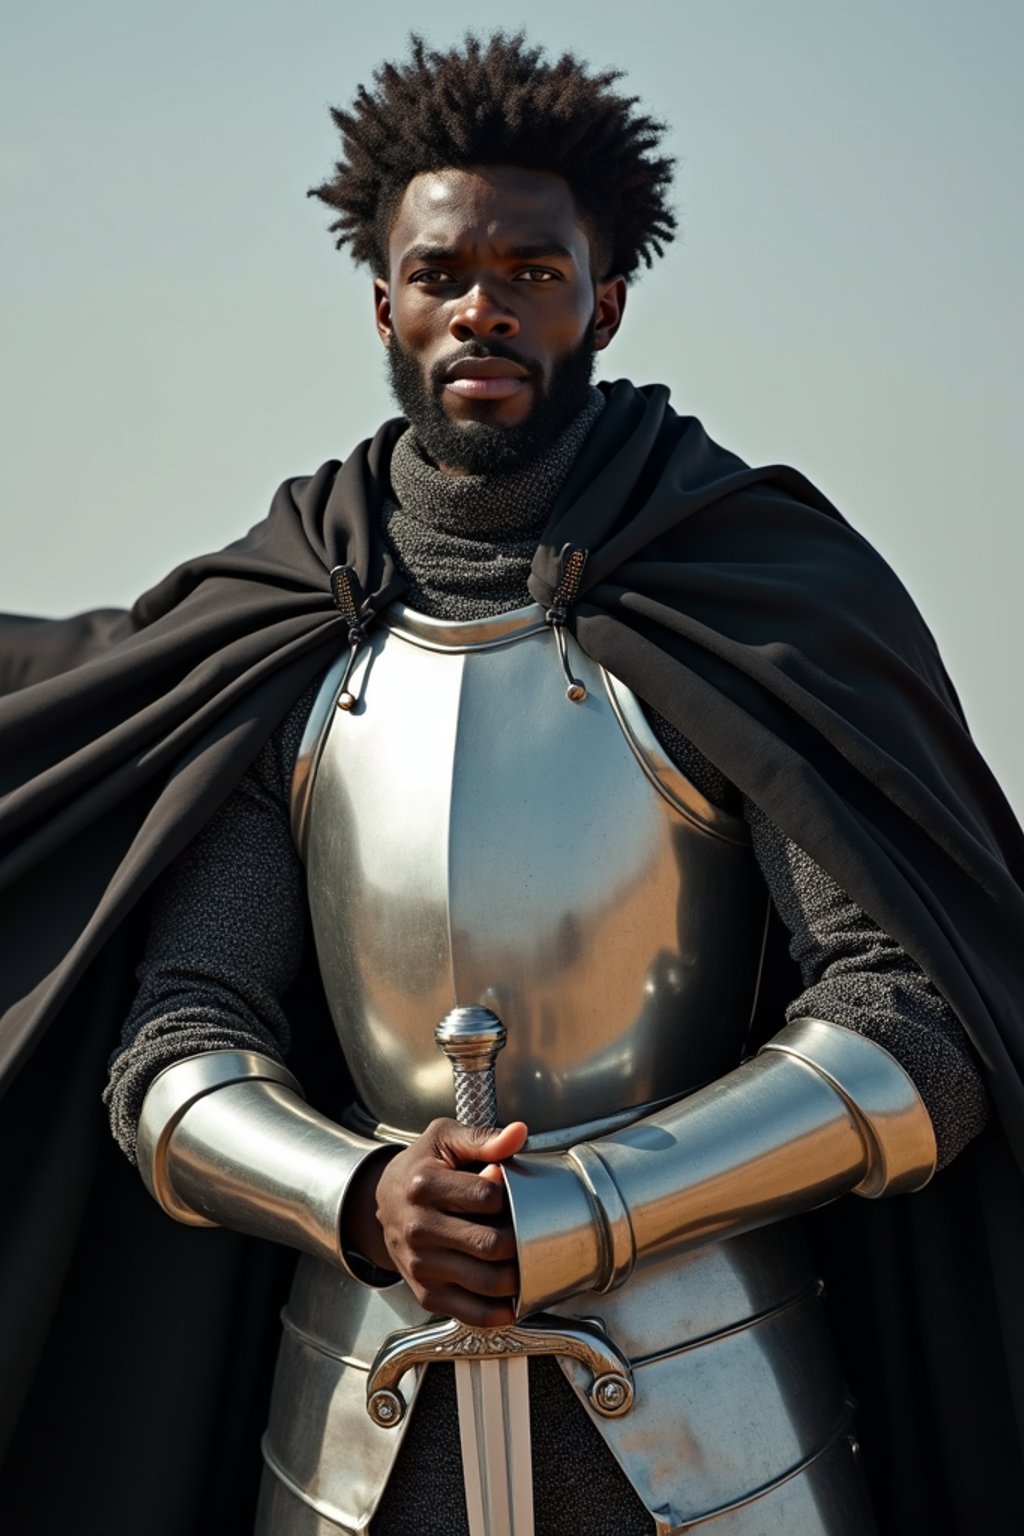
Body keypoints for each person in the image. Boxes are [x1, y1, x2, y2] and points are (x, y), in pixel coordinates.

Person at [2, 31, 1023, 1536]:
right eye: (443, 274)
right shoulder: (301, 621)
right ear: (384, 302)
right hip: (356, 1437)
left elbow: (915, 1027)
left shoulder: (749, 591)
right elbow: (178, 1036)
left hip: (725, 1437)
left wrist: (599, 1205)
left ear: (603, 295)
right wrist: (357, 1199)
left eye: (533, 272)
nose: (484, 305)